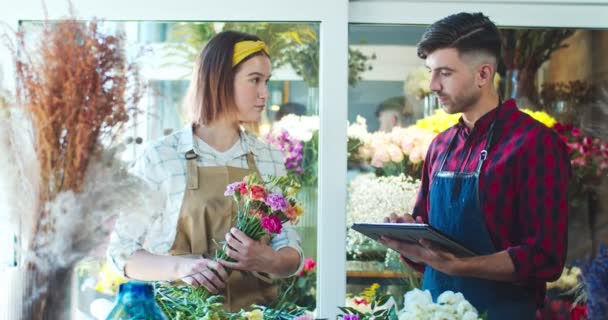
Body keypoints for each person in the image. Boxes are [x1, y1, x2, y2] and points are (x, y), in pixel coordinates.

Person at [381, 13, 570, 320]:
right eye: (430, 72)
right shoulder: (440, 146)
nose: (432, 85)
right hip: (433, 311)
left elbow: (545, 257)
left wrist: (459, 266)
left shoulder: (535, 144)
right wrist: (408, 239)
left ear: (484, 74)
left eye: (444, 73)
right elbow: (429, 245)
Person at [108, 31, 304, 312]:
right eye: (255, 80)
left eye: (266, 81)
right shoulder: (162, 158)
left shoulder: (269, 158)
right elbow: (121, 252)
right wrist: (180, 267)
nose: (265, 93)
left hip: (259, 315)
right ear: (220, 80)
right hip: (177, 314)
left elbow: (290, 250)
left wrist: (268, 259)